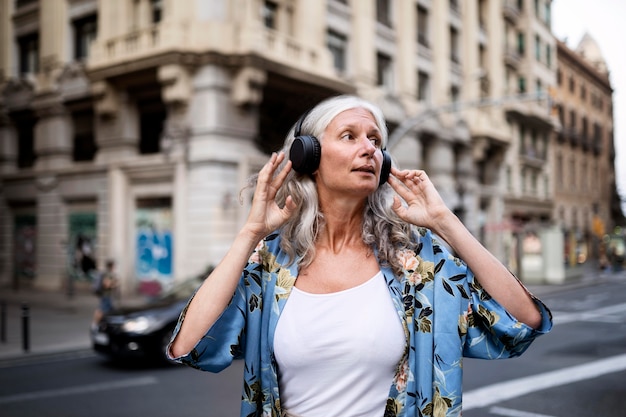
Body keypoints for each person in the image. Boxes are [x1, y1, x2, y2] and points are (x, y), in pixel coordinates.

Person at [168, 95, 552, 417]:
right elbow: (192, 346)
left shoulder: (415, 264)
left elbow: (523, 321)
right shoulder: (268, 267)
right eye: (349, 136)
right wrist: (250, 233)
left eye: (375, 140)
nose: (368, 147)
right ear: (308, 157)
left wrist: (445, 222)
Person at [92, 259, 118, 327]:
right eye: (114, 266)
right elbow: (106, 284)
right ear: (111, 266)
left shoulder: (107, 273)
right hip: (106, 295)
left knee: (110, 310)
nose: (114, 267)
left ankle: (106, 324)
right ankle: (95, 324)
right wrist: (114, 285)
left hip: (107, 295)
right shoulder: (107, 274)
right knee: (101, 310)